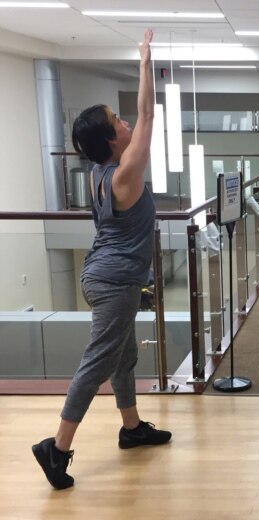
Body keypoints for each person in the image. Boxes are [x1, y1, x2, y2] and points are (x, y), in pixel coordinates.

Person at [32, 29, 172, 491]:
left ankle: (131, 428)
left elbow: (140, 119)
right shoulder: (125, 174)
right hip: (113, 280)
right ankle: (57, 448)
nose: (127, 122)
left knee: (123, 357)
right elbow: (150, 112)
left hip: (105, 274)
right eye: (118, 120)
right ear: (113, 140)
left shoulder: (98, 172)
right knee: (98, 362)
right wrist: (145, 60)